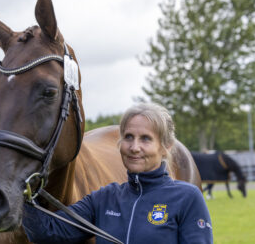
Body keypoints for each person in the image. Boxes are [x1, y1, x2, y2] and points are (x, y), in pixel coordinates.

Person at [23, 102, 213, 244]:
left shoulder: (187, 197)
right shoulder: (104, 198)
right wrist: (20, 191)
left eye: (146, 139)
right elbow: (49, 231)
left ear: (165, 147)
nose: (134, 147)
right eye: (128, 137)